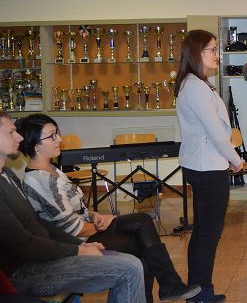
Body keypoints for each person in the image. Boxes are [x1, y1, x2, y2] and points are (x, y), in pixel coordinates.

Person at [16, 113, 199, 303]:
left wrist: (94, 215)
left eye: (57, 133)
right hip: (75, 242)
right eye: (52, 136)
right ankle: (167, 286)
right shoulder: (40, 180)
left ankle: (167, 286)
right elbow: (72, 229)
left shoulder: (53, 170)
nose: (59, 139)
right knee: (142, 242)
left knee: (142, 224)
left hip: (85, 231)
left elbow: (76, 210)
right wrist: (103, 224)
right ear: (35, 145)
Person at [0, 111, 145, 302]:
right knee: (129, 268)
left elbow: (38, 222)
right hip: (24, 272)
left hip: (41, 258)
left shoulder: (7, 174)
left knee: (131, 262)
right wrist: (78, 250)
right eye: (11, 132)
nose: (19, 137)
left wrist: (80, 245)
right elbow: (25, 244)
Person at [175, 29, 244, 303]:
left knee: (204, 233)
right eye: (212, 50)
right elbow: (216, 133)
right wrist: (236, 160)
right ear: (197, 53)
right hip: (207, 167)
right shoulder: (195, 86)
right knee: (208, 234)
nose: (217, 54)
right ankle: (200, 293)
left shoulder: (197, 83)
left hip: (205, 164)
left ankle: (199, 291)